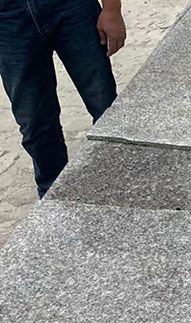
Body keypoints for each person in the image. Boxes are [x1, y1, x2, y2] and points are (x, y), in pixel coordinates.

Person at [0, 0, 126, 198]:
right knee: (35, 123)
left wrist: (112, 9)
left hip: (71, 6)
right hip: (8, 20)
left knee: (105, 104)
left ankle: (121, 177)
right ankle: (54, 197)